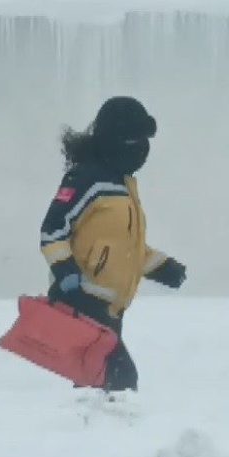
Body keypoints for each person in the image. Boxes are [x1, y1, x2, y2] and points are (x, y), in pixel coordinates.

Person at [39, 96, 186, 392]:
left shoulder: (123, 186)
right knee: (117, 380)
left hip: (111, 309)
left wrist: (163, 267)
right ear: (117, 140)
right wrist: (67, 273)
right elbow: (52, 230)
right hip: (82, 302)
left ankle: (96, 434)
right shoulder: (86, 179)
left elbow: (127, 249)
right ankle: (100, 435)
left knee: (101, 385)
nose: (143, 150)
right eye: (136, 140)